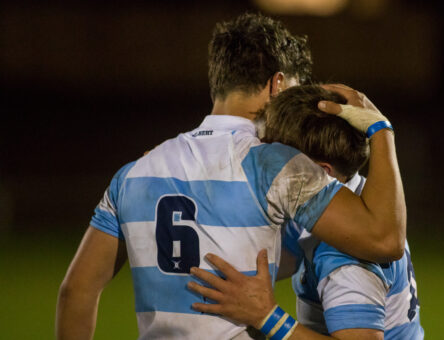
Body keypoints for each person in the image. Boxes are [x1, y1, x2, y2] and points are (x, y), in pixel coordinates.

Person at [56, 13, 406, 340]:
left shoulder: (134, 173)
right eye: (295, 91)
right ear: (277, 84)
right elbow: (385, 240)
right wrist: (381, 129)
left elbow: (76, 291)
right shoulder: (278, 166)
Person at [188, 85, 423, 339]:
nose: (269, 166)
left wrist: (266, 317)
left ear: (322, 172)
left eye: (280, 160)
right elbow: (262, 259)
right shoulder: (351, 207)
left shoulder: (345, 259)